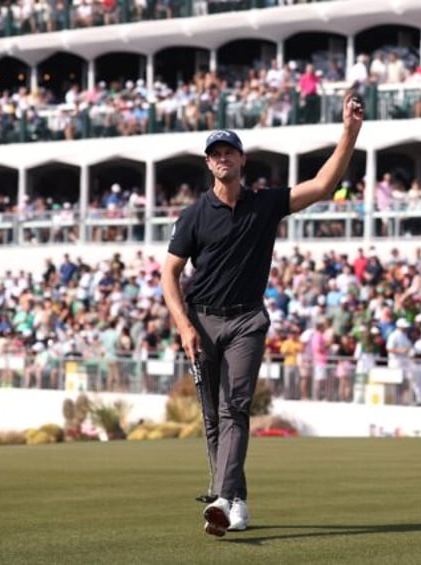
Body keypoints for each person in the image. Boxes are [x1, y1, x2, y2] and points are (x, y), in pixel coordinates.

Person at [161, 91, 363, 537]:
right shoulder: (195, 215)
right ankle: (237, 502)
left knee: (234, 407)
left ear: (241, 159)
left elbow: (323, 185)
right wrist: (183, 327)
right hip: (203, 320)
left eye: (228, 151)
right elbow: (168, 274)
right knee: (214, 418)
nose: (222, 159)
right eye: (215, 154)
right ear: (209, 164)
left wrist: (349, 133)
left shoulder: (264, 203)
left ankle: (222, 498)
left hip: (247, 320)